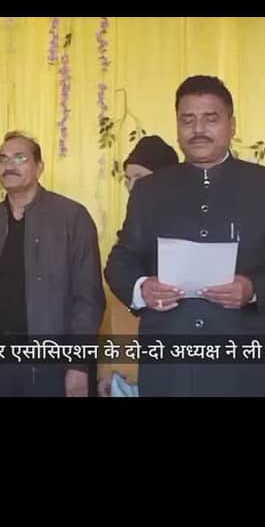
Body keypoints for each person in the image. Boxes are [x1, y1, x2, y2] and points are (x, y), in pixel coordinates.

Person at [104, 75, 265, 398]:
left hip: (241, 364)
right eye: (187, 119)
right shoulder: (150, 190)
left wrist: (253, 289)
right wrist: (142, 288)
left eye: (211, 118)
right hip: (169, 364)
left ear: (232, 125)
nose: (198, 129)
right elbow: (121, 261)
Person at [0, 131, 105, 398]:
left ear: (39, 167)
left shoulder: (71, 217)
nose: (9, 165)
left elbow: (89, 298)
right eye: (3, 159)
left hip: (52, 365)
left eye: (20, 158)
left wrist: (78, 365)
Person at [98, 136, 179, 396]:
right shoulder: (128, 239)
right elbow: (113, 311)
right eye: (128, 179)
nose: (133, 187)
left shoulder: (186, 235)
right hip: (123, 378)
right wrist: (105, 368)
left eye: (140, 178)